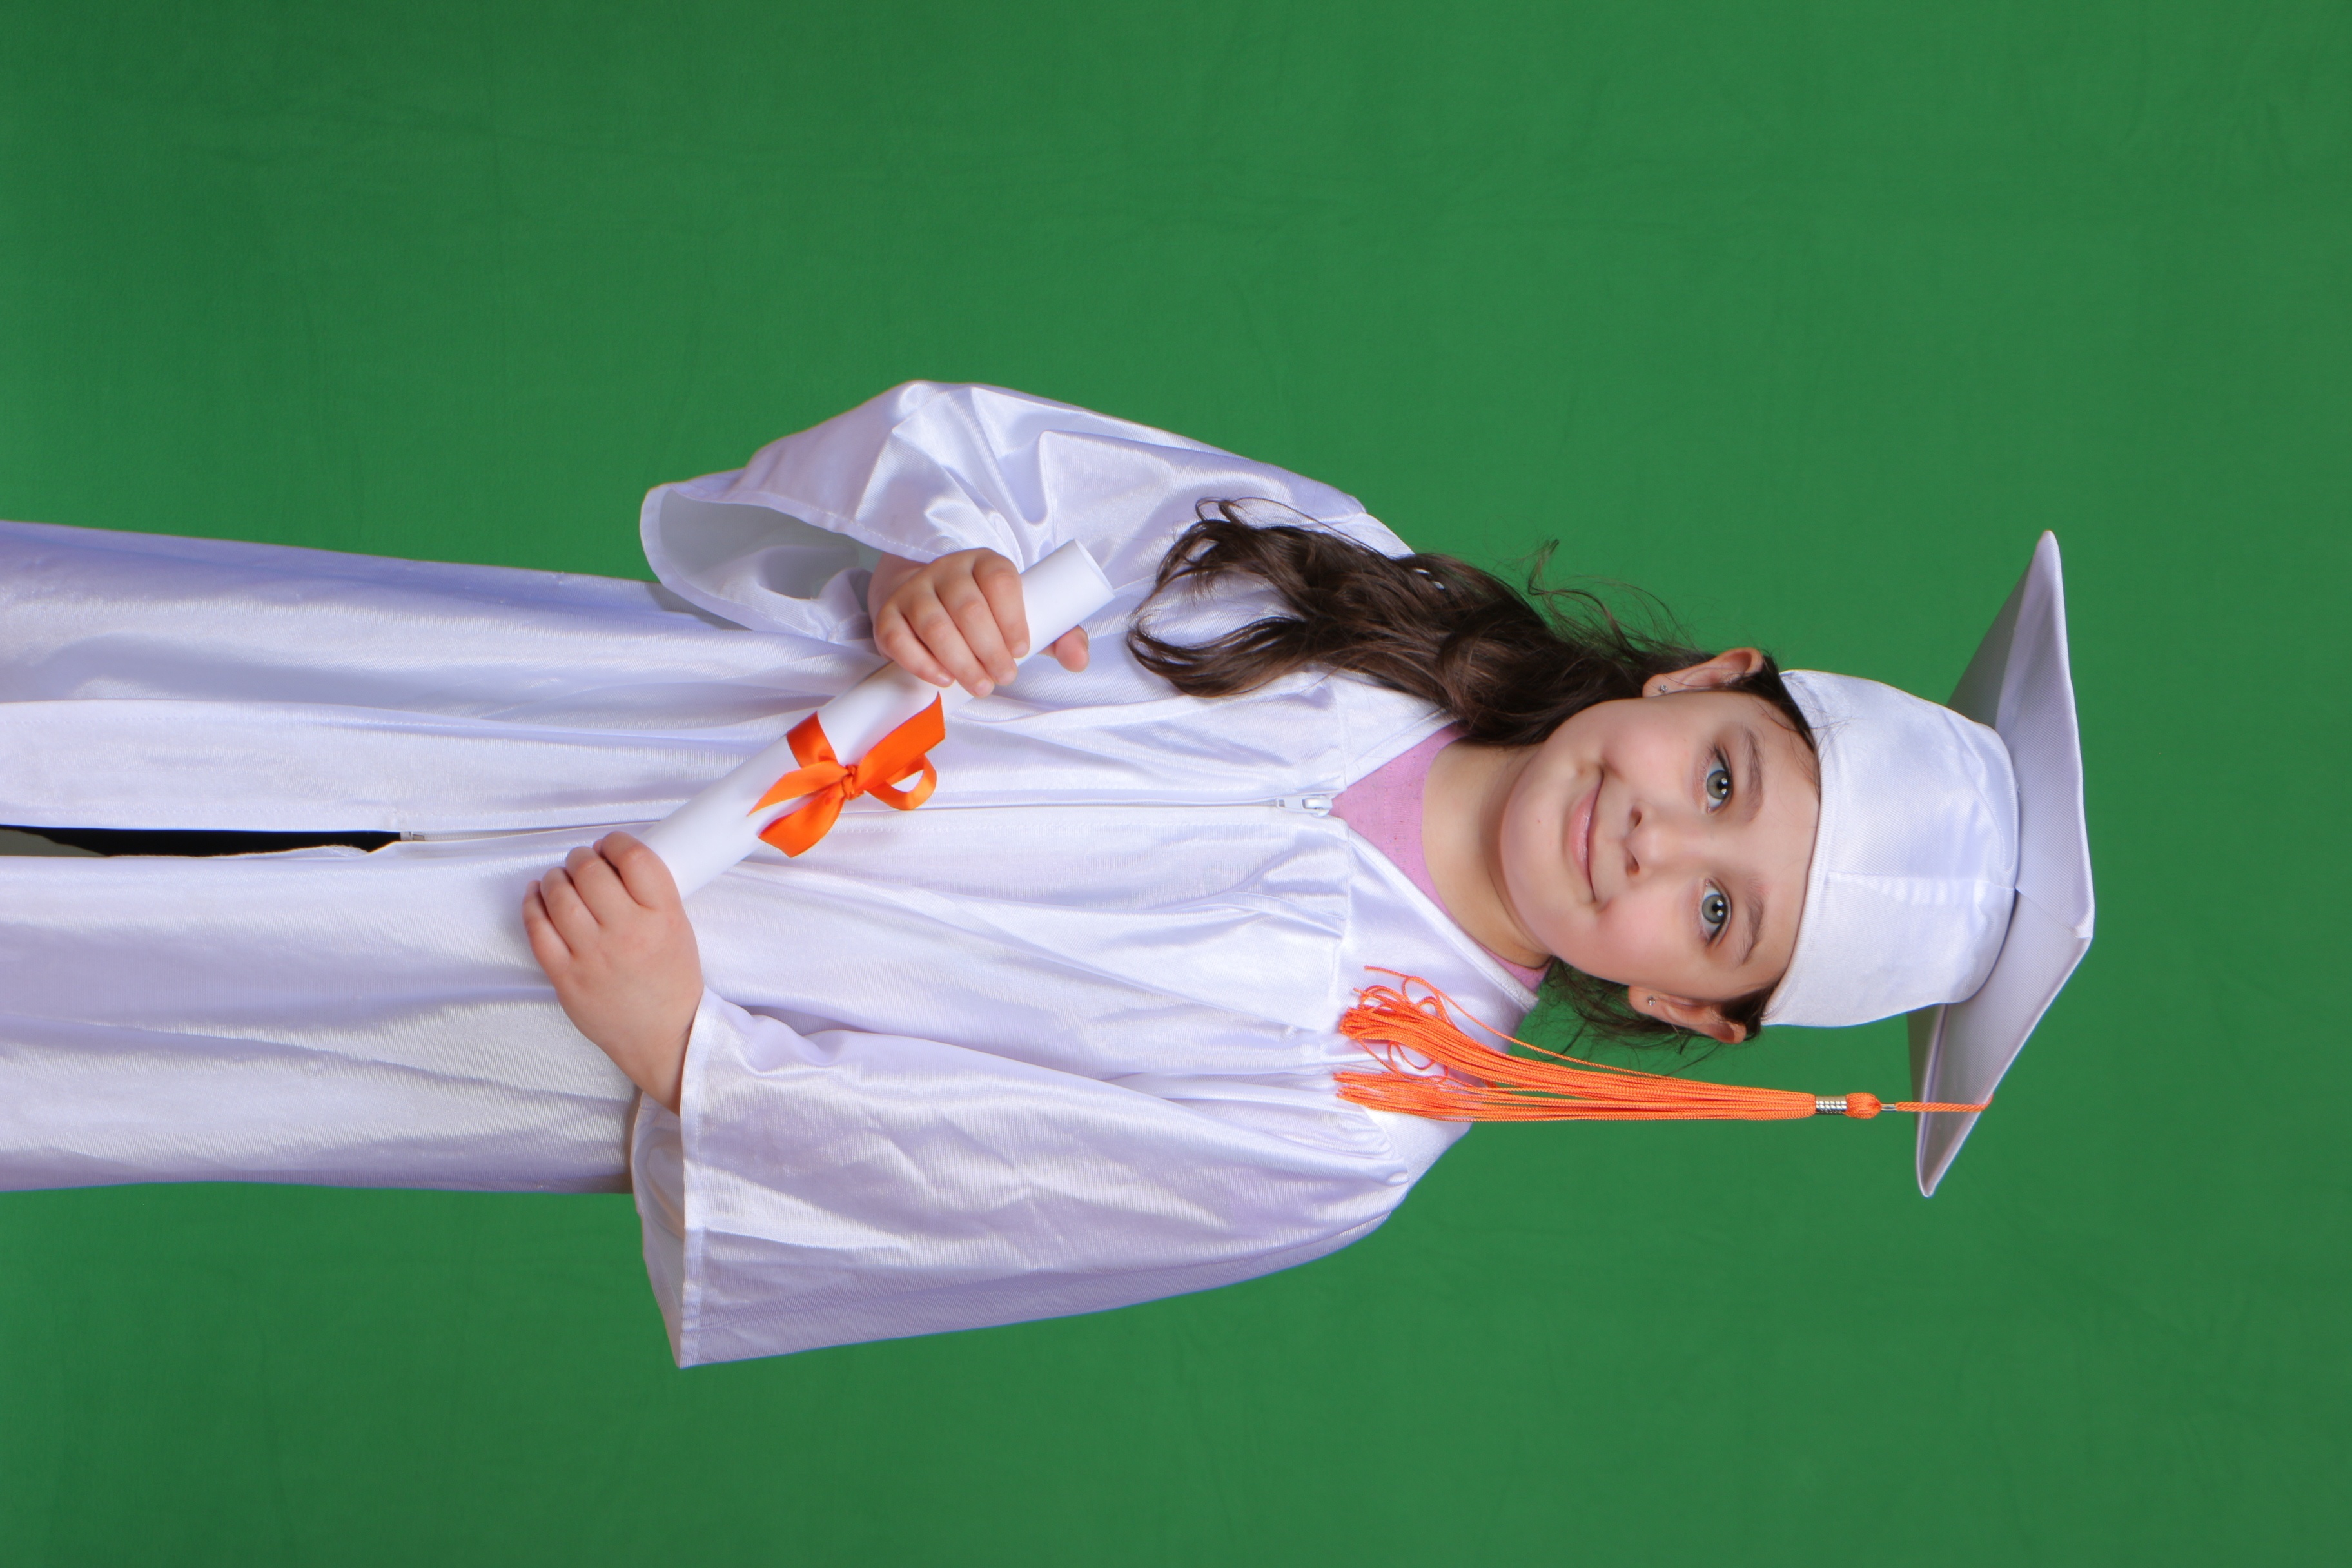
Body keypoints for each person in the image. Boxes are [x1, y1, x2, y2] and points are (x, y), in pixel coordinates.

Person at [0, 382, 2089, 1366]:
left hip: (585, 997)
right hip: (592, 718)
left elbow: (978, 1189)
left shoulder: (1346, 1124)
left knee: (167, 989)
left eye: (1717, 908)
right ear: (1713, 679)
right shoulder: (1329, 579)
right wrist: (929, 572)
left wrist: (696, 1052)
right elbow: (982, 469)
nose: (1655, 834)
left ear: (1687, 1008)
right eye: (1723, 776)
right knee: (147, 698)